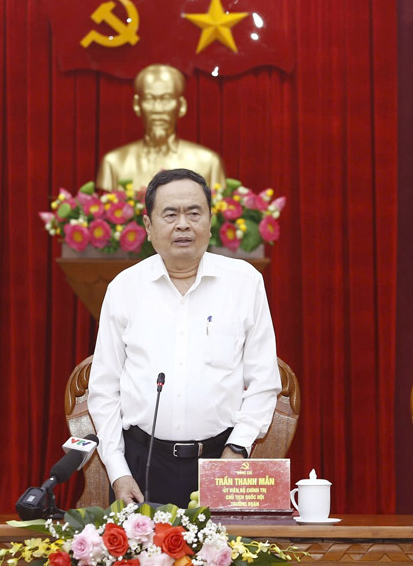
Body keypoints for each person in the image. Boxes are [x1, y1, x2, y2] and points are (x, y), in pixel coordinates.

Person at [88, 168, 280, 506]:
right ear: (149, 227)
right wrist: (118, 472)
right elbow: (104, 390)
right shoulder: (124, 289)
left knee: (227, 559)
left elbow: (264, 381)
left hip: (222, 459)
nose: (183, 225)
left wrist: (238, 449)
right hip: (141, 464)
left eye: (194, 213)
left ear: (209, 220)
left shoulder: (244, 283)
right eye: (170, 214)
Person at [95, 64, 227, 192]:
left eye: (166, 98)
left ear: (181, 106)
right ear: (137, 105)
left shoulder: (209, 162)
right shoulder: (113, 163)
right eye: (149, 98)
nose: (157, 109)